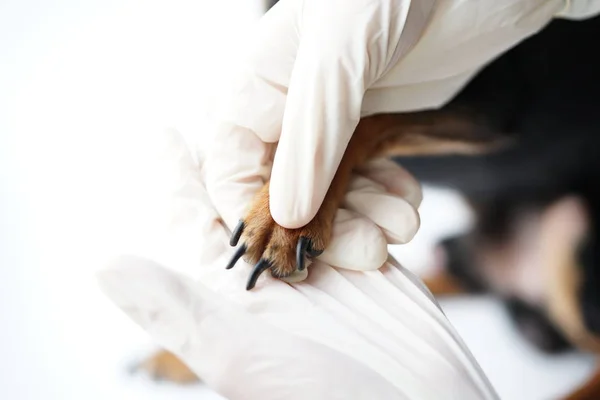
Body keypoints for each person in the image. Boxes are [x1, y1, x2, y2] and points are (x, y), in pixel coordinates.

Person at [97, 0, 600, 399]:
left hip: (562, 186)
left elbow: (491, 113)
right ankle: (277, 325)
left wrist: (344, 152)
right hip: (511, 206)